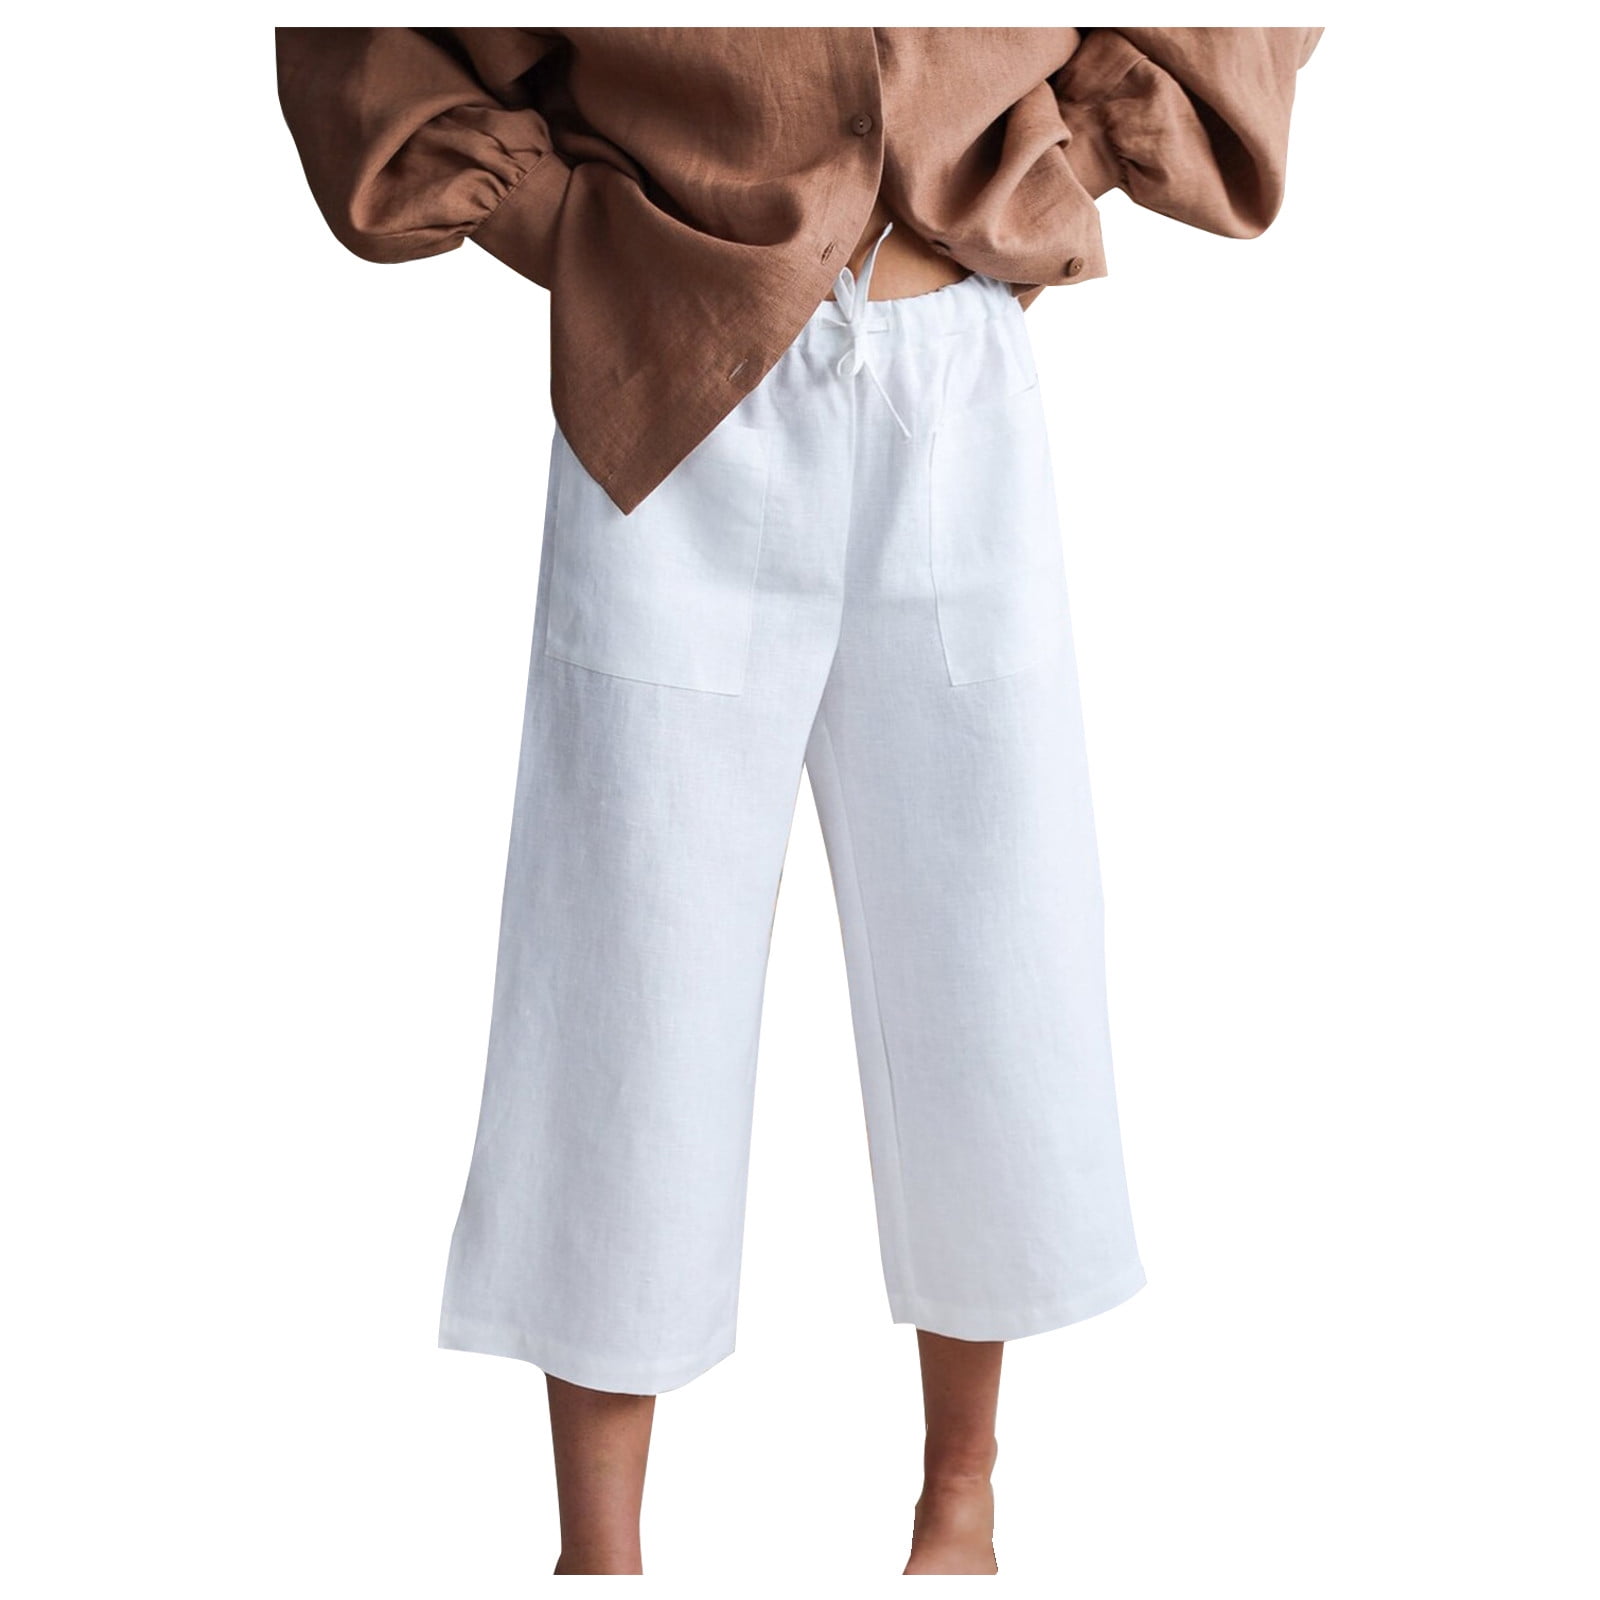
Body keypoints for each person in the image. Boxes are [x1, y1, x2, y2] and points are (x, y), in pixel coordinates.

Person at [275, 26, 1323, 1575]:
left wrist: (1073, 154)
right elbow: (371, 41)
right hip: (663, 376)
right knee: (625, 954)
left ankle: (960, 1505)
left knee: (993, 938)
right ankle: (599, 1555)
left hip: (951, 367)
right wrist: (560, 224)